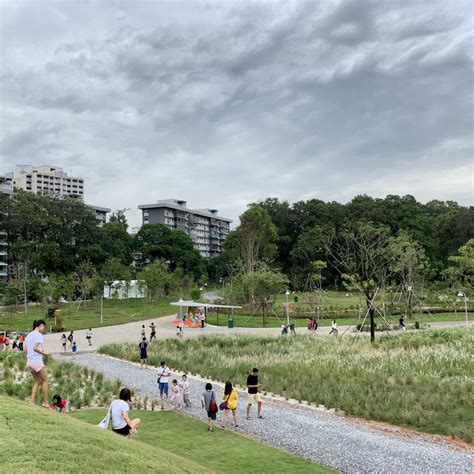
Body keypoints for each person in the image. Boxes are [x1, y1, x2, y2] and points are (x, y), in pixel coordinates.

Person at [25, 319, 50, 408]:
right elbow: (35, 348)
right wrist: (44, 354)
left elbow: (25, 350)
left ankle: (32, 401)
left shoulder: (28, 336)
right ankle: (45, 402)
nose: (43, 329)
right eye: (44, 327)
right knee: (45, 380)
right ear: (40, 325)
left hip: (29, 361)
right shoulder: (39, 335)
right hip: (36, 360)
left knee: (37, 381)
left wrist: (29, 358)